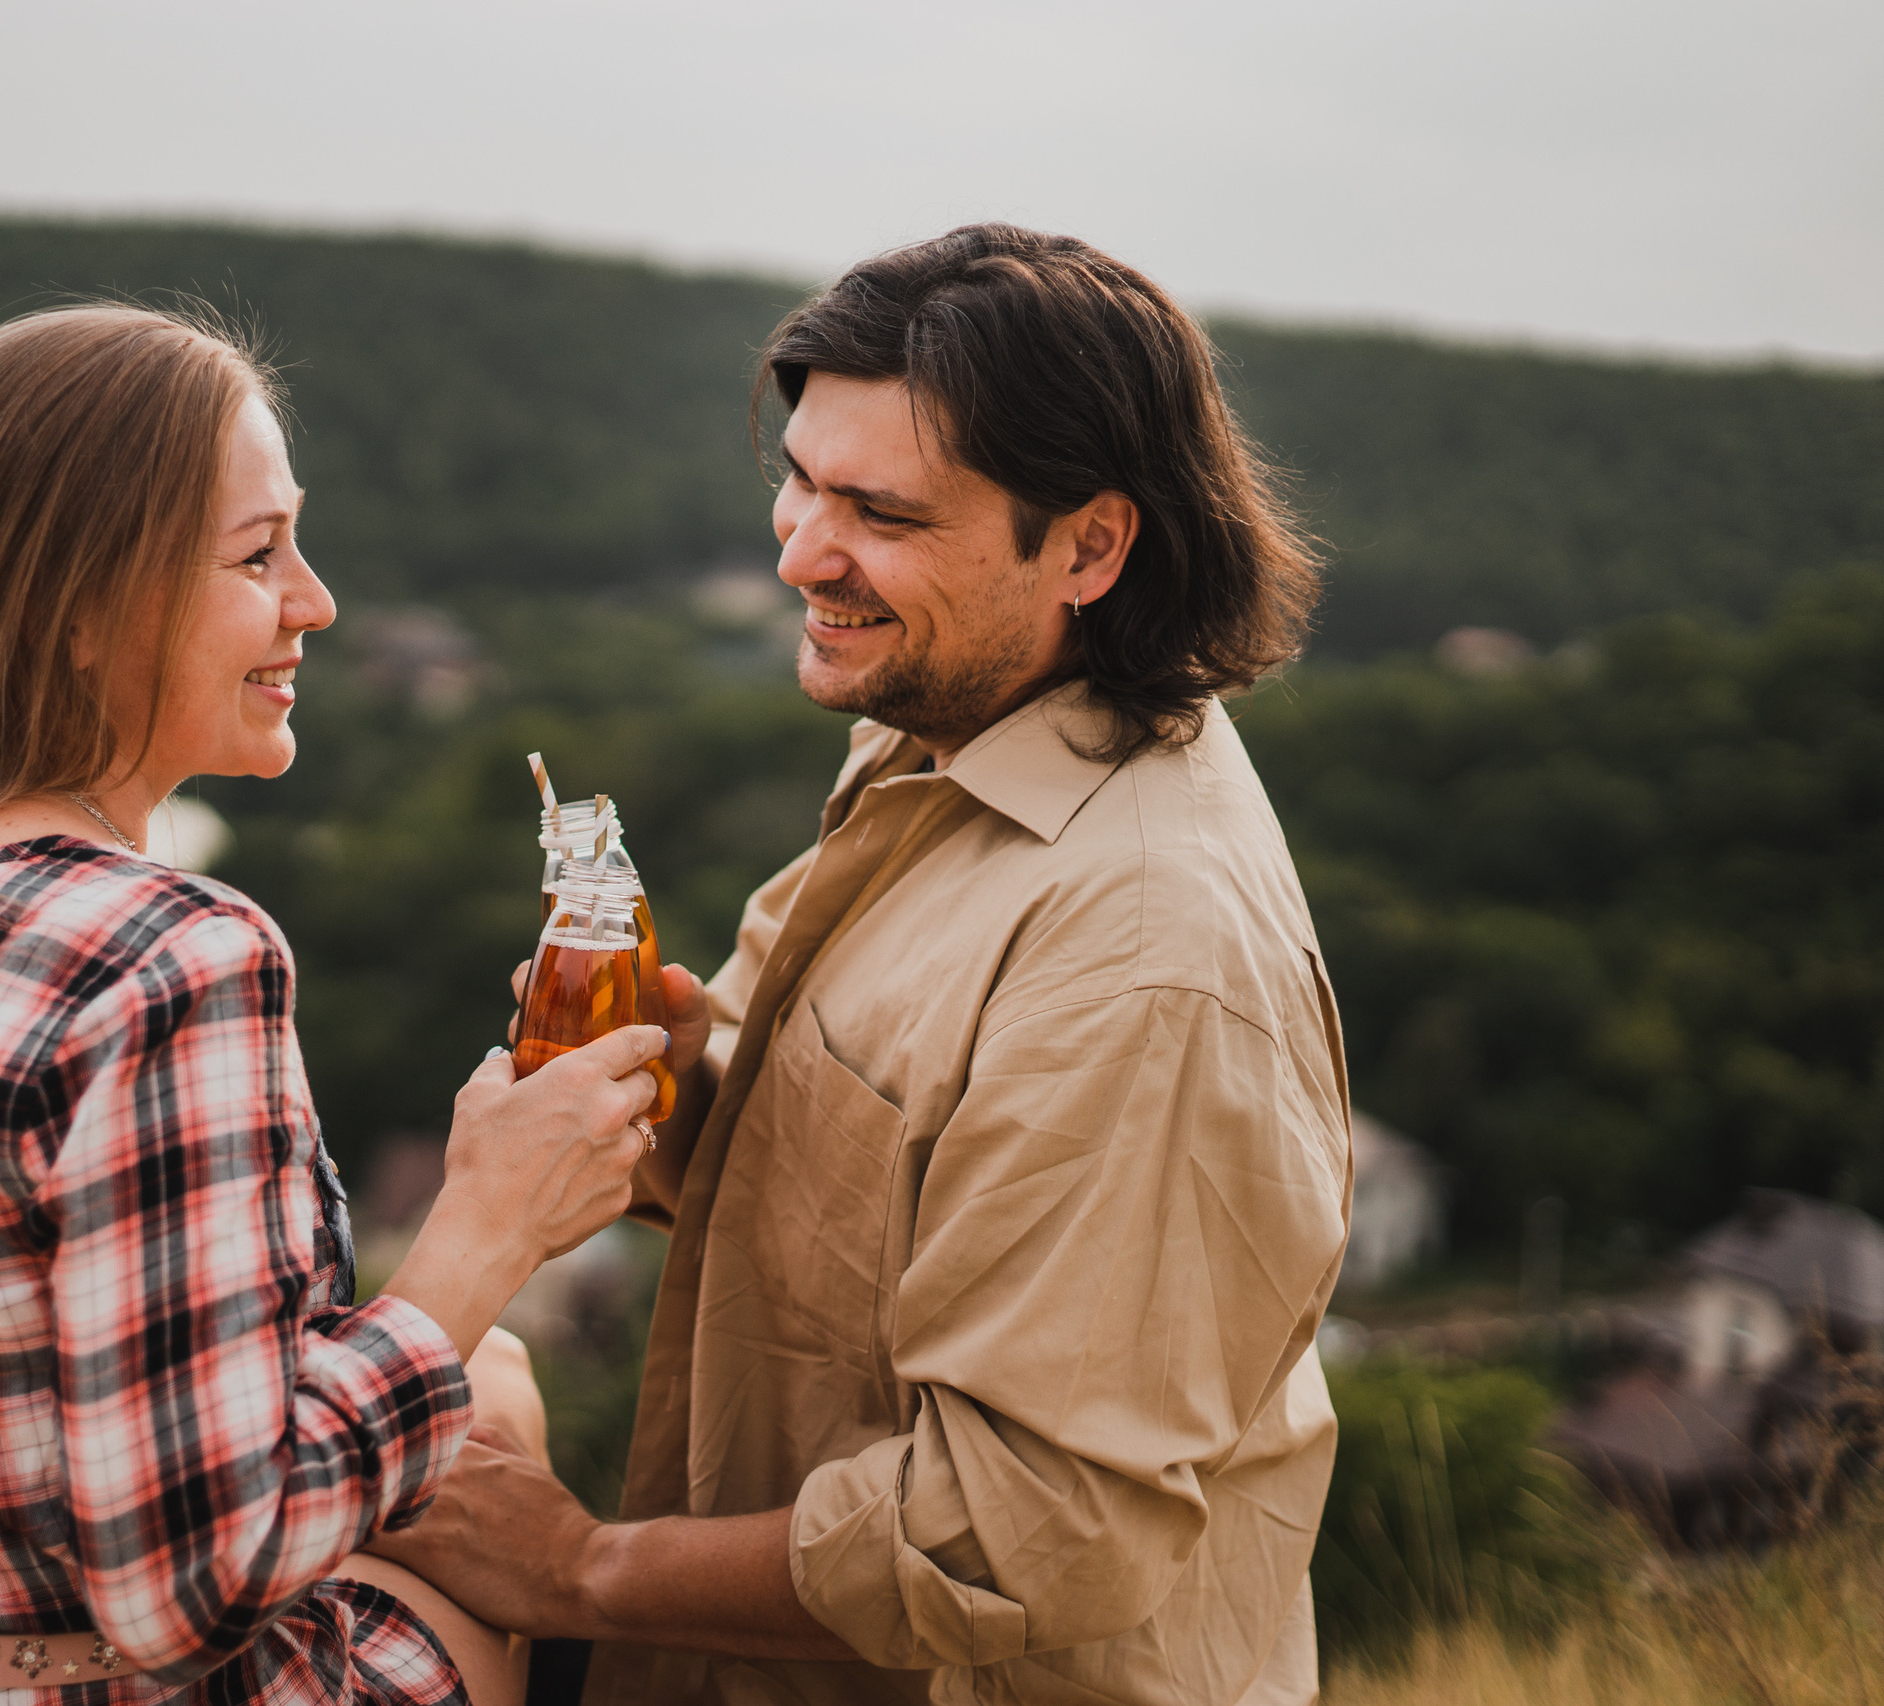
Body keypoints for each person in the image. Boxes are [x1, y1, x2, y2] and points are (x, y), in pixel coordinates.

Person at [0, 304, 669, 1706]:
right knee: (499, 1406)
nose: (316, 599)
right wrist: (490, 1224)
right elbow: (191, 1583)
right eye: (259, 554)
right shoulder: (169, 957)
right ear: (79, 612)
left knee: (496, 1387)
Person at [373, 225, 1353, 1706]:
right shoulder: (939, 739)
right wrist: (674, 1091)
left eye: (878, 512)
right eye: (801, 479)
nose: (800, 549)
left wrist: (582, 1566)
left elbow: (1026, 1529)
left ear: (1090, 544)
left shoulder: (1147, 961)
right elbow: (863, 1217)